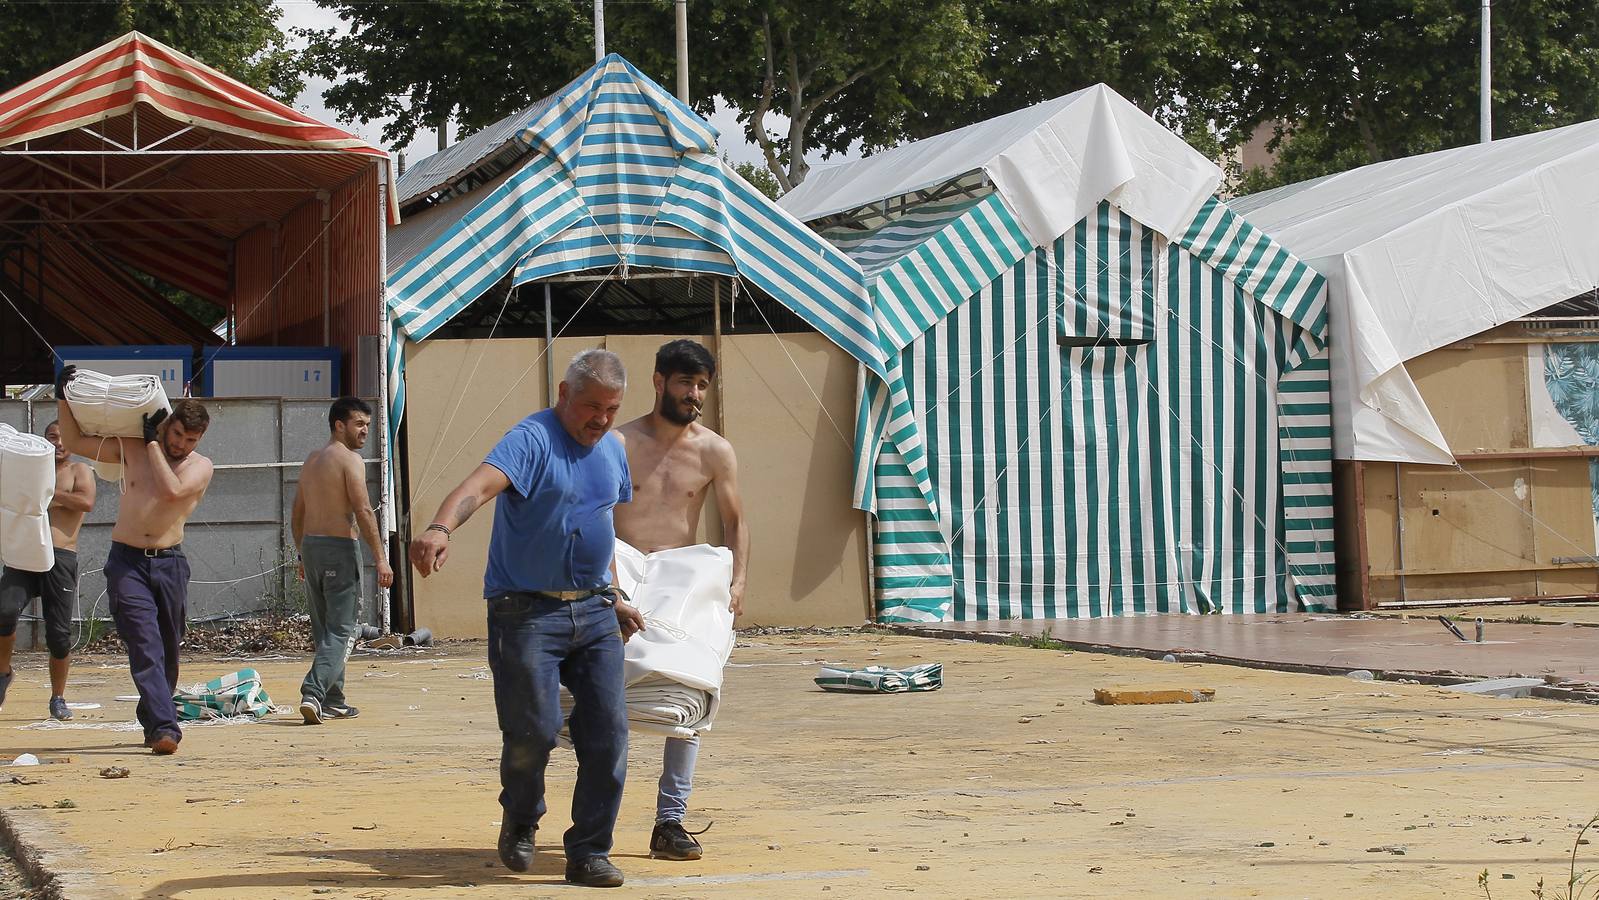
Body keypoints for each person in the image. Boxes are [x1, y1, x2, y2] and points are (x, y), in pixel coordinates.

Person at [408, 349, 645, 889]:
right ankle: (521, 814)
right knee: (533, 731)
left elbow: (599, 522)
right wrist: (441, 529)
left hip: (595, 609)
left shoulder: (614, 448)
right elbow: (477, 487)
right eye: (591, 407)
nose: (601, 419)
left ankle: (588, 851)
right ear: (563, 394)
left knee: (608, 734)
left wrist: (615, 593)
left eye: (611, 408)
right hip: (526, 612)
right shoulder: (532, 439)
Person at [613, 338, 749, 862]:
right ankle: (598, 814)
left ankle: (670, 820)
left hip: (680, 574)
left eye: (701, 386)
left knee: (691, 688)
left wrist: (737, 581)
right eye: (684, 383)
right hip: (621, 566)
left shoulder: (715, 450)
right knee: (611, 692)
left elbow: (735, 519)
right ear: (658, 381)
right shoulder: (618, 443)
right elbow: (597, 513)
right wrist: (609, 584)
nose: (693, 394)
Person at [54, 366, 214, 756]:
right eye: (177, 434)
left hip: (169, 562)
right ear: (167, 423)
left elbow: (172, 491)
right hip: (127, 561)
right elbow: (75, 439)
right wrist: (62, 393)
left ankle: (152, 718)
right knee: (144, 644)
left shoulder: (200, 466)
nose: (182, 444)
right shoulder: (133, 447)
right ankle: (165, 727)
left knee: (168, 651)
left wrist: (155, 446)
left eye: (191, 439)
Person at [291, 396, 394, 725]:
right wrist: (381, 559)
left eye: (367, 424)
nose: (365, 430)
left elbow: (297, 512)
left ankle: (334, 699)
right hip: (338, 547)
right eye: (358, 424)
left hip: (311, 546)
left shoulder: (311, 460)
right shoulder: (350, 460)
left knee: (325, 631)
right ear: (339, 425)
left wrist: (301, 553)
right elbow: (363, 511)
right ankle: (314, 691)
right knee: (343, 630)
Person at [0, 421, 96, 720]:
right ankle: (3, 674)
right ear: (44, 443)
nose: (59, 443)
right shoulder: (28, 471)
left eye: (64, 437)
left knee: (58, 634)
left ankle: (57, 696)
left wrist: (46, 495)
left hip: (60, 555)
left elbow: (86, 502)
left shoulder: (79, 471)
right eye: (52, 438)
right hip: (23, 554)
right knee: (4, 611)